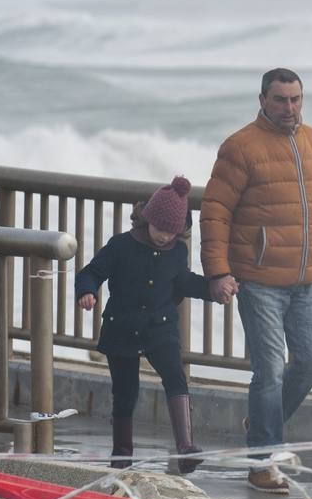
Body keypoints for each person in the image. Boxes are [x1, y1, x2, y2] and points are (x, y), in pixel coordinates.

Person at [201, 67, 312, 493]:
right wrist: (218, 272)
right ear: (263, 99)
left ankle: (262, 424)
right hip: (259, 278)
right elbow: (215, 211)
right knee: (269, 372)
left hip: (308, 280)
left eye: (296, 99)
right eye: (281, 100)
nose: (289, 108)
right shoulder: (240, 147)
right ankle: (262, 463)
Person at [75, 176, 211, 473]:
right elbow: (91, 272)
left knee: (176, 378)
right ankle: (122, 456)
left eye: (173, 232)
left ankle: (186, 447)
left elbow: (183, 281)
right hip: (121, 327)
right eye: (161, 229)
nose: (165, 237)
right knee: (126, 392)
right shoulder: (121, 245)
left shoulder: (178, 251)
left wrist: (213, 289)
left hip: (160, 328)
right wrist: (86, 291)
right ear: (148, 219)